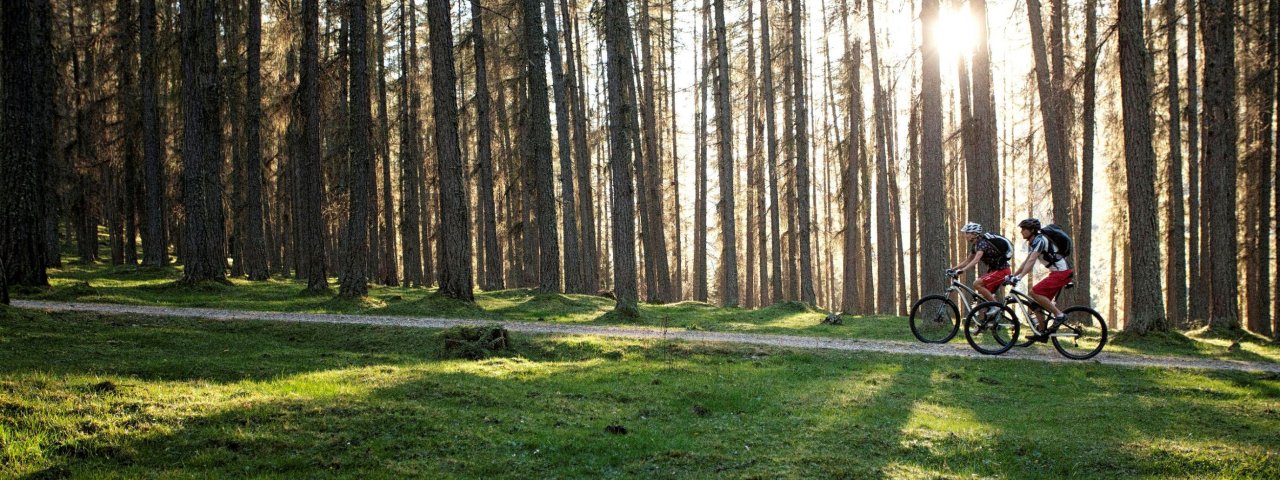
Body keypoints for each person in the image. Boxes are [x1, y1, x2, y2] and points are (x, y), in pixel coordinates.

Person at [1004, 218, 1073, 342]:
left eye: (1024, 229)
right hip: (1057, 273)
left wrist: (1019, 278)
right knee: (1036, 305)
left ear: (1032, 230)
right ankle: (1042, 333)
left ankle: (1060, 315)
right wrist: (1014, 275)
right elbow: (1026, 261)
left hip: (1061, 273)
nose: (1021, 232)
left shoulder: (1040, 240)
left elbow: (1031, 261)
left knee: (1034, 292)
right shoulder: (1035, 241)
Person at [946, 223, 1012, 311]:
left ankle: (996, 307)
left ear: (974, 234)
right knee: (982, 298)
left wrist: (962, 270)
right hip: (995, 271)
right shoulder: (976, 245)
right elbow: (967, 261)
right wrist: (953, 269)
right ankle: (993, 319)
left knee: (976, 283)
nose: (965, 235)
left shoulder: (982, 244)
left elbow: (976, 260)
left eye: (967, 233)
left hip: (1002, 271)